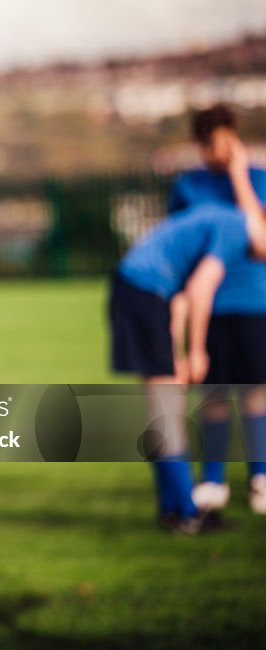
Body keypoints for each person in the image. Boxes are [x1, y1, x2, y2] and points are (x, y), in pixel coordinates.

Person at [110, 192, 266, 533]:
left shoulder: (220, 218)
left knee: (167, 405)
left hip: (141, 292)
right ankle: (186, 514)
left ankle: (175, 509)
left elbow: (179, 295)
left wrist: (178, 352)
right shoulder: (237, 228)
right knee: (165, 407)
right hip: (141, 294)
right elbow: (199, 289)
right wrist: (197, 350)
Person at [167, 103, 266, 515]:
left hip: (254, 303)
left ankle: (260, 477)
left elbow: (261, 245)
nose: (215, 151)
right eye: (206, 144)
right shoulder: (188, 186)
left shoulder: (258, 179)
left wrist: (241, 175)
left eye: (221, 141)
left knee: (256, 395)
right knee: (213, 395)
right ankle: (213, 479)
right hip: (206, 305)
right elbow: (180, 249)